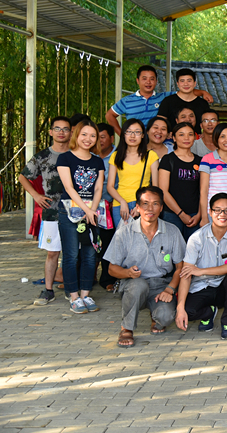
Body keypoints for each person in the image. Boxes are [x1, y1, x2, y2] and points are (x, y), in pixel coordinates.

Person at [106, 186, 186, 348]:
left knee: (165, 317)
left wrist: (170, 289)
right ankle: (126, 328)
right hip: (133, 284)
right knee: (138, 285)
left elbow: (181, 266)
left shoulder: (172, 231)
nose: (150, 208)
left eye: (155, 204)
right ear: (137, 207)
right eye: (145, 204)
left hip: (161, 285)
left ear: (161, 208)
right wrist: (127, 273)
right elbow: (111, 269)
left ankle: (155, 315)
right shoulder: (124, 233)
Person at [175, 192, 227, 340]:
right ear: (210, 212)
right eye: (217, 210)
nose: (222, 214)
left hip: (223, 287)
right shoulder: (196, 238)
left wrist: (201, 271)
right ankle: (208, 313)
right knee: (188, 312)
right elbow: (186, 274)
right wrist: (180, 308)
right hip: (202, 286)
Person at [20, 116, 70, 306]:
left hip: (74, 209)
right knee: (52, 252)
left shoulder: (76, 153)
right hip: (51, 210)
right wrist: (36, 196)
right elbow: (23, 176)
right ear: (50, 132)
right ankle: (48, 290)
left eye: (65, 129)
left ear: (71, 132)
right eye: (57, 128)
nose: (61, 132)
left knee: (74, 253)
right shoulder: (42, 156)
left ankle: (72, 288)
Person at [56, 119, 104, 314]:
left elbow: (98, 188)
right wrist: (86, 209)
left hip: (92, 212)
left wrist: (92, 210)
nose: (88, 139)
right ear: (77, 135)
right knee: (71, 255)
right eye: (84, 134)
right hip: (69, 212)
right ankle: (74, 296)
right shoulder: (65, 158)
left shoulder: (97, 161)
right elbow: (69, 187)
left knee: (90, 255)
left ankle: (85, 294)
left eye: (92, 135)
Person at [107, 65, 212, 136]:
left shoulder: (163, 97)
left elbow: (185, 91)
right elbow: (109, 115)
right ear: (138, 81)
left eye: (152, 79)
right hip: (134, 140)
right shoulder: (127, 101)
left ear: (156, 81)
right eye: (144, 79)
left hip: (156, 140)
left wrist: (203, 92)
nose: (148, 82)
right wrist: (122, 135)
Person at [108, 118, 159, 227]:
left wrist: (141, 205)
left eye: (137, 132)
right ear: (123, 134)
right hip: (120, 205)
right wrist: (122, 202)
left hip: (144, 204)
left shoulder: (151, 156)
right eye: (129, 132)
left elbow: (155, 187)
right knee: (122, 237)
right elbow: (110, 186)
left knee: (142, 237)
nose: (132, 136)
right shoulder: (116, 156)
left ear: (143, 135)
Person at [159, 122, 202, 242]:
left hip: (195, 215)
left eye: (190, 134)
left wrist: (199, 214)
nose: (186, 138)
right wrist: (181, 214)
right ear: (174, 138)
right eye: (181, 134)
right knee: (171, 249)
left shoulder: (200, 161)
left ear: (195, 137)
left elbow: (202, 190)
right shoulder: (168, 160)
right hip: (172, 214)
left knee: (193, 249)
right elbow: (163, 191)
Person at [199, 123, 227, 227]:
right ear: (216, 138)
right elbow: (203, 190)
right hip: (214, 211)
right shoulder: (207, 159)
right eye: (222, 136)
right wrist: (204, 217)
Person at [96, 122, 117, 291]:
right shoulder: (89, 156)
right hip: (89, 206)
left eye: (102, 137)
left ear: (111, 138)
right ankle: (85, 277)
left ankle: (108, 278)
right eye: (96, 137)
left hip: (111, 207)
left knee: (108, 243)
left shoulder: (119, 156)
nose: (99, 140)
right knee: (89, 242)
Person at [157, 68, 210, 133]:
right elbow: (159, 123)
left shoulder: (203, 103)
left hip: (196, 138)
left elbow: (208, 124)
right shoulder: (167, 101)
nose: (186, 84)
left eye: (189, 81)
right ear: (177, 84)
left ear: (194, 83)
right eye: (182, 81)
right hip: (172, 138)